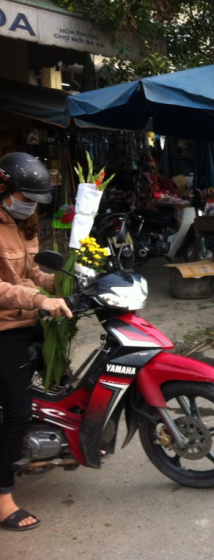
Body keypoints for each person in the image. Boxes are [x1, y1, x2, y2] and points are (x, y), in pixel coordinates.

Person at [0, 152, 73, 532]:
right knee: (17, 411)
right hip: (3, 329)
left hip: (29, 320)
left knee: (59, 381)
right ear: (3, 188)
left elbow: (31, 271)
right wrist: (38, 299)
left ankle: (34, 450)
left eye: (33, 199)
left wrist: (66, 281)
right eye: (23, 196)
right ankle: (3, 499)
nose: (28, 204)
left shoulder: (23, 222)